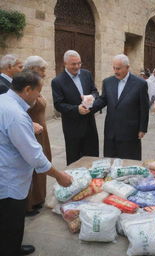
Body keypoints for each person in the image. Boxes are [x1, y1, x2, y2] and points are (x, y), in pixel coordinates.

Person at [0, 71, 72, 256]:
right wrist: (59, 175)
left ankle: (13, 246)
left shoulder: (5, 101)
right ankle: (10, 250)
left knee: (10, 222)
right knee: (11, 220)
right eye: (38, 92)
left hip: (8, 173)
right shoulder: (16, 114)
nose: (40, 96)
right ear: (26, 89)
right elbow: (34, 156)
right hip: (9, 179)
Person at [91, 54, 149, 160]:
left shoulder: (140, 84)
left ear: (127, 67)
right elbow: (103, 99)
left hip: (130, 133)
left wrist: (142, 128)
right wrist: (90, 107)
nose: (115, 71)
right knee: (109, 162)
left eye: (118, 68)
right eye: (114, 68)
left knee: (129, 163)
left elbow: (144, 108)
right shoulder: (108, 82)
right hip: (111, 132)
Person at [51, 50, 99, 165]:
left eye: (79, 63)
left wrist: (90, 97)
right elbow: (58, 104)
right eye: (73, 64)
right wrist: (76, 109)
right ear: (65, 64)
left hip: (89, 124)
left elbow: (95, 91)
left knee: (92, 158)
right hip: (72, 127)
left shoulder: (86, 74)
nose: (77, 66)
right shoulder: (57, 81)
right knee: (74, 161)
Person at [23, 56, 52, 216]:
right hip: (31, 133)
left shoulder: (36, 84)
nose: (45, 73)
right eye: (42, 69)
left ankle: (39, 198)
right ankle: (29, 204)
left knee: (43, 162)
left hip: (42, 132)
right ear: (33, 69)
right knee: (33, 166)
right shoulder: (26, 86)